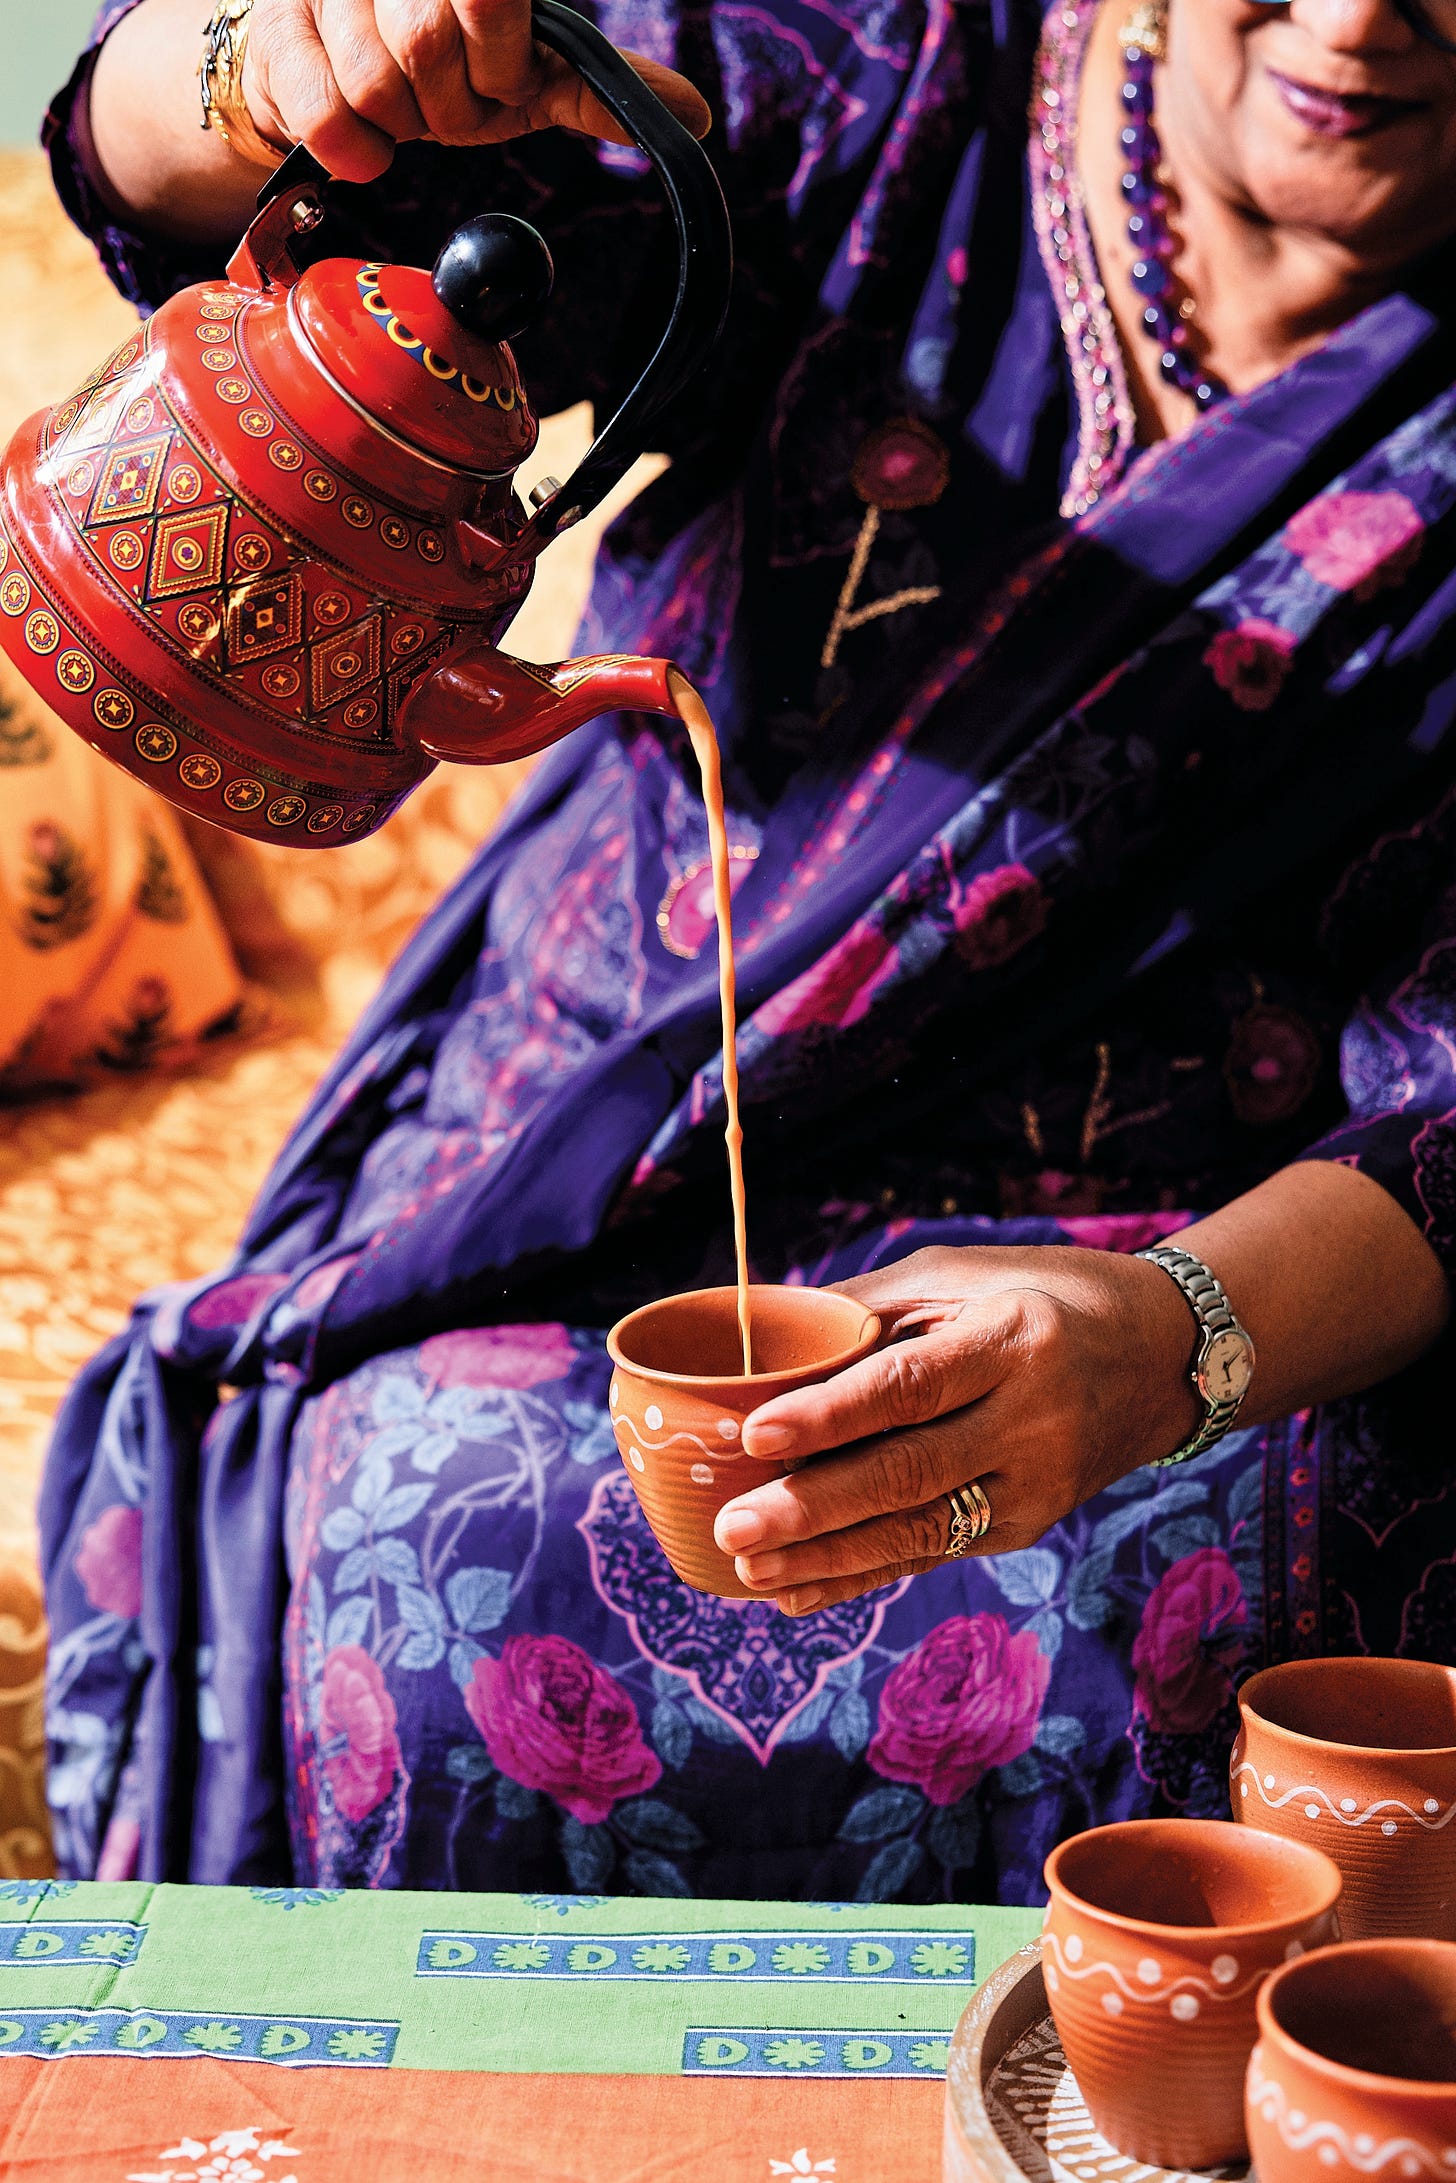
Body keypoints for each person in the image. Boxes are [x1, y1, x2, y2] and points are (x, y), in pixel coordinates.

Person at [37, 0, 1456, 1898]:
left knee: (1300, 1597)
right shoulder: (872, 69)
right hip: (602, 1160)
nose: (1361, 18)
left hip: (1197, 1257)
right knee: (419, 1530)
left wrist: (1180, 1341)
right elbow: (252, 170)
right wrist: (259, 58)